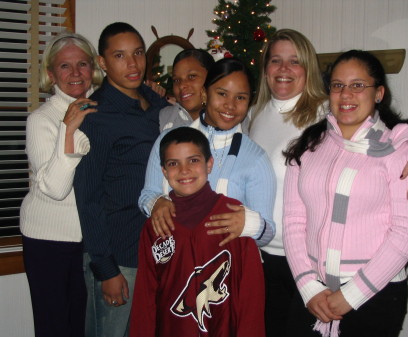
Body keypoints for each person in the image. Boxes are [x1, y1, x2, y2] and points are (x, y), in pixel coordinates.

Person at [248, 29, 408, 337]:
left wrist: (350, 296)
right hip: (307, 283)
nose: (346, 94)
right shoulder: (307, 145)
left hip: (373, 296)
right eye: (338, 86)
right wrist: (310, 288)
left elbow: (407, 234)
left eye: (357, 85)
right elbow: (296, 220)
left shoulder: (399, 150)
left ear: (378, 93)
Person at [73, 22, 169, 337]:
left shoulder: (158, 105)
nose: (132, 64)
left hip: (156, 251)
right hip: (119, 256)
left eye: (138, 53)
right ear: (102, 63)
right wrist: (105, 269)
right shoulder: (96, 117)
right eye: (120, 55)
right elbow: (87, 198)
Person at [130, 127, 265, 337]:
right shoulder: (156, 226)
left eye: (193, 160)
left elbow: (250, 293)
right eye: (173, 163)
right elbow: (145, 295)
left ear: (209, 164)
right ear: (164, 172)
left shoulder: (234, 215)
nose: (184, 170)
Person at [139, 57, 276, 248]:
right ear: (205, 93)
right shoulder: (168, 140)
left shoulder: (255, 157)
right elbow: (147, 193)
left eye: (241, 97)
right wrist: (156, 203)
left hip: (224, 269)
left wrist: (249, 223)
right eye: (222, 94)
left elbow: (268, 232)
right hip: (174, 264)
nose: (230, 105)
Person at [20, 32, 102, 337]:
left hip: (91, 239)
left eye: (82, 64)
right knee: (56, 327)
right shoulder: (41, 120)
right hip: (48, 240)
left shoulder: (102, 109)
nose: (76, 73)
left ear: (93, 67)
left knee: (88, 326)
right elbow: (55, 189)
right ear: (51, 74)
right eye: (65, 66)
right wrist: (68, 130)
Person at [159, 49, 215, 131]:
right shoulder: (165, 117)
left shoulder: (229, 116)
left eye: (192, 76)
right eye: (177, 80)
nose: (182, 86)